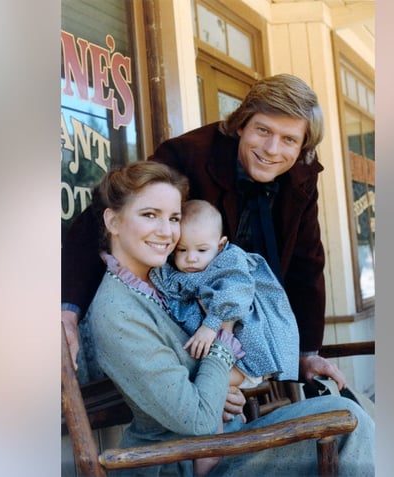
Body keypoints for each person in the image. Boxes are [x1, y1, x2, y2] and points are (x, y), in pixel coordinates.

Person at [78, 161, 373, 476]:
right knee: (346, 424)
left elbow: (187, 379)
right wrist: (224, 333)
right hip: (176, 461)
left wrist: (218, 387)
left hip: (222, 443)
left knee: (346, 413)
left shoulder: (163, 280)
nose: (167, 232)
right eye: (150, 215)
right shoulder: (118, 312)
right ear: (114, 221)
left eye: (174, 218)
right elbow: (198, 419)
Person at [63, 73, 347, 396]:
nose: (271, 149)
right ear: (241, 124)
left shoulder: (300, 175)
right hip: (186, 323)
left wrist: (307, 354)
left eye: (289, 140)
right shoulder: (191, 154)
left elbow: (306, 264)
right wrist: (69, 308)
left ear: (303, 145)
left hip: (250, 319)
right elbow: (108, 211)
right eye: (263, 130)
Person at [150, 199, 300, 476]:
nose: (191, 258)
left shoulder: (229, 262)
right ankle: (220, 440)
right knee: (208, 386)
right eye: (181, 250)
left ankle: (210, 455)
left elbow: (237, 295)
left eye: (201, 249)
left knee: (200, 383)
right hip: (223, 357)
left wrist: (212, 324)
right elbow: (162, 281)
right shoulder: (185, 271)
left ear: (220, 245)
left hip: (247, 356)